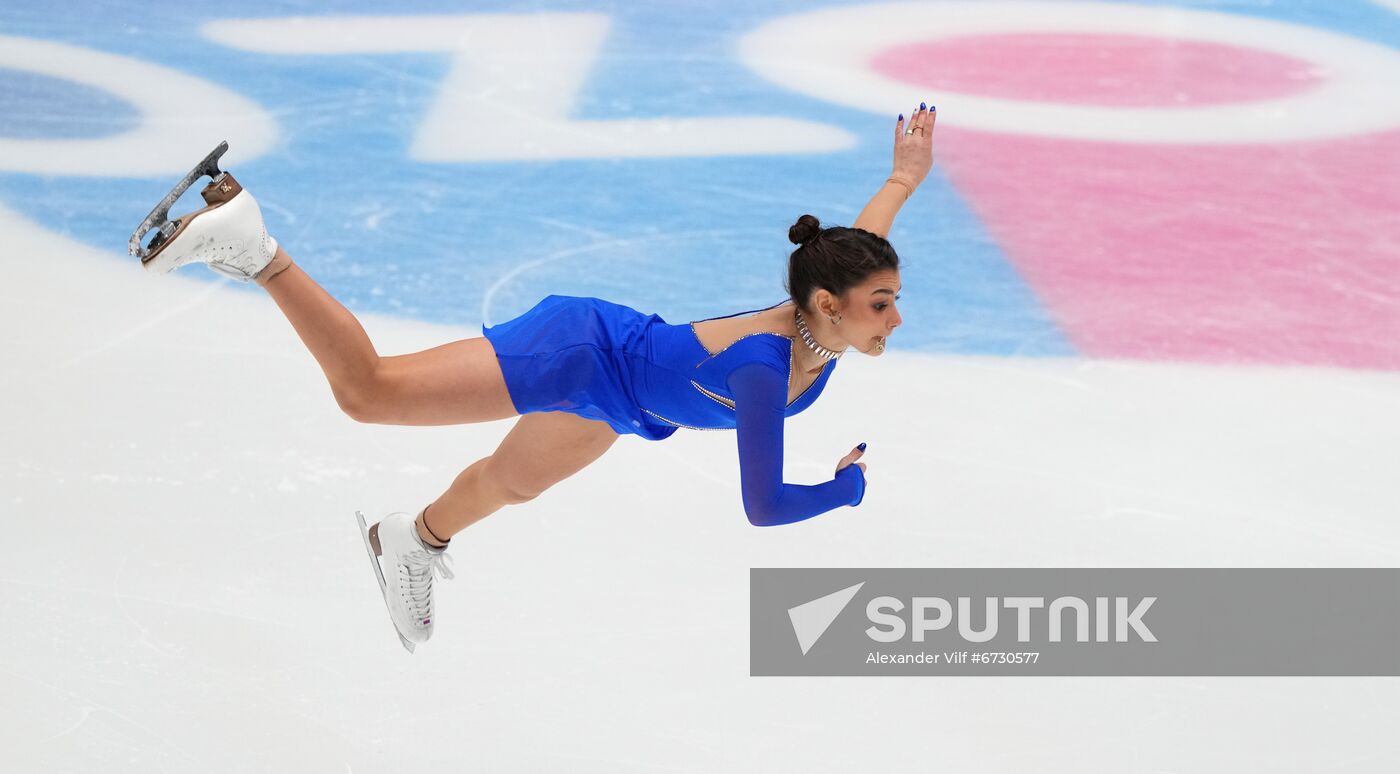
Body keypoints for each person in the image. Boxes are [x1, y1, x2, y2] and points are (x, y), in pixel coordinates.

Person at [130, 103, 936, 651]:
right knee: (368, 392)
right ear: (829, 305)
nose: (894, 319)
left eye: (892, 299)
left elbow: (861, 240)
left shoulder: (822, 320)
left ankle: (412, 538)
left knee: (512, 482)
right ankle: (253, 248)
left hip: (619, 401)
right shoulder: (765, 370)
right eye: (882, 305)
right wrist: (846, 491)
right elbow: (765, 507)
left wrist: (901, 179)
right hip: (580, 353)